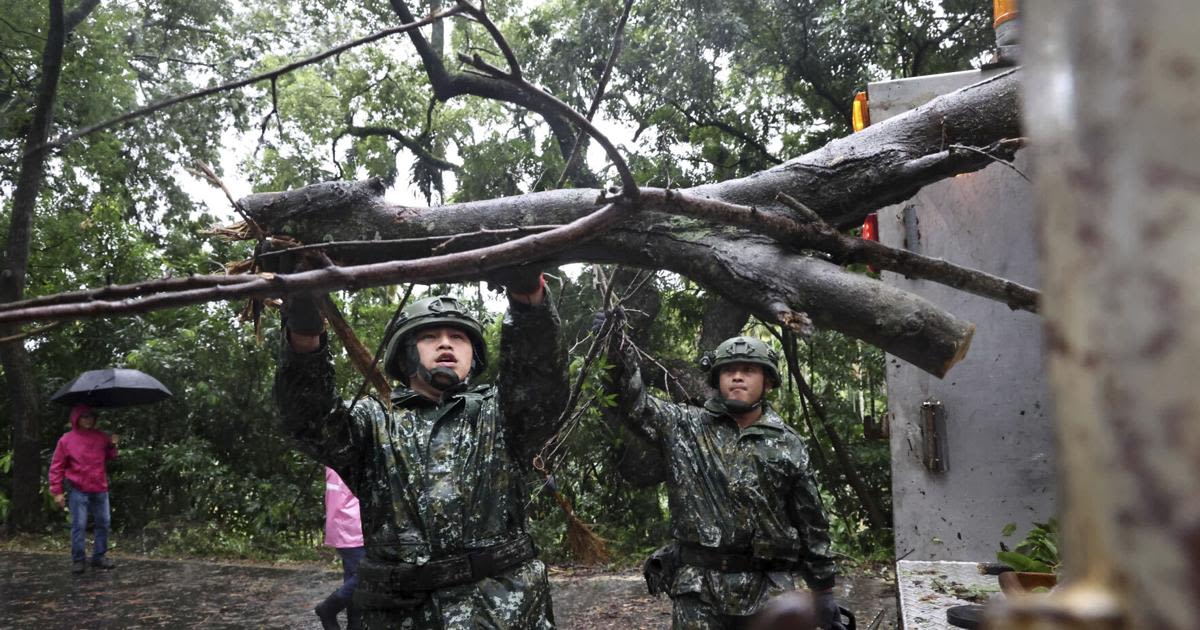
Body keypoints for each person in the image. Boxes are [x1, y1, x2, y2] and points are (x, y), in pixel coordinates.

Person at [274, 269, 567, 629]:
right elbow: (309, 421)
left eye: (458, 337)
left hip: (503, 612)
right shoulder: (373, 420)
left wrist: (528, 300)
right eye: (430, 336)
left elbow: (540, 380)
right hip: (397, 615)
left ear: (473, 355)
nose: (446, 344)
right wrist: (304, 336)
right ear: (405, 354)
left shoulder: (502, 414)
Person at [608, 330, 848, 630]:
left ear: (768, 381)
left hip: (769, 589)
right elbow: (635, 405)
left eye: (748, 370)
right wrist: (617, 352)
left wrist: (823, 590)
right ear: (716, 380)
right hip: (699, 590)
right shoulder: (684, 426)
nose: (737, 377)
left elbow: (811, 522)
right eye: (729, 371)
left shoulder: (788, 443)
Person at [48, 403, 118, 575]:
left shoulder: (101, 437)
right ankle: (78, 560)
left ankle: (99, 557)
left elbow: (110, 457)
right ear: (76, 418)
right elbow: (57, 466)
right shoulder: (66, 440)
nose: (88, 420)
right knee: (79, 524)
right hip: (78, 489)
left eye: (91, 416)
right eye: (84, 416)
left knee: (104, 522)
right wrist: (57, 492)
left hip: (100, 487)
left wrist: (113, 445)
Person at [316, 466, 365, 630]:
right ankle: (328, 609)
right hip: (353, 529)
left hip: (345, 527)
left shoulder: (336, 463)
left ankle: (354, 624)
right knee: (364, 577)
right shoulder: (348, 463)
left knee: (352, 576)